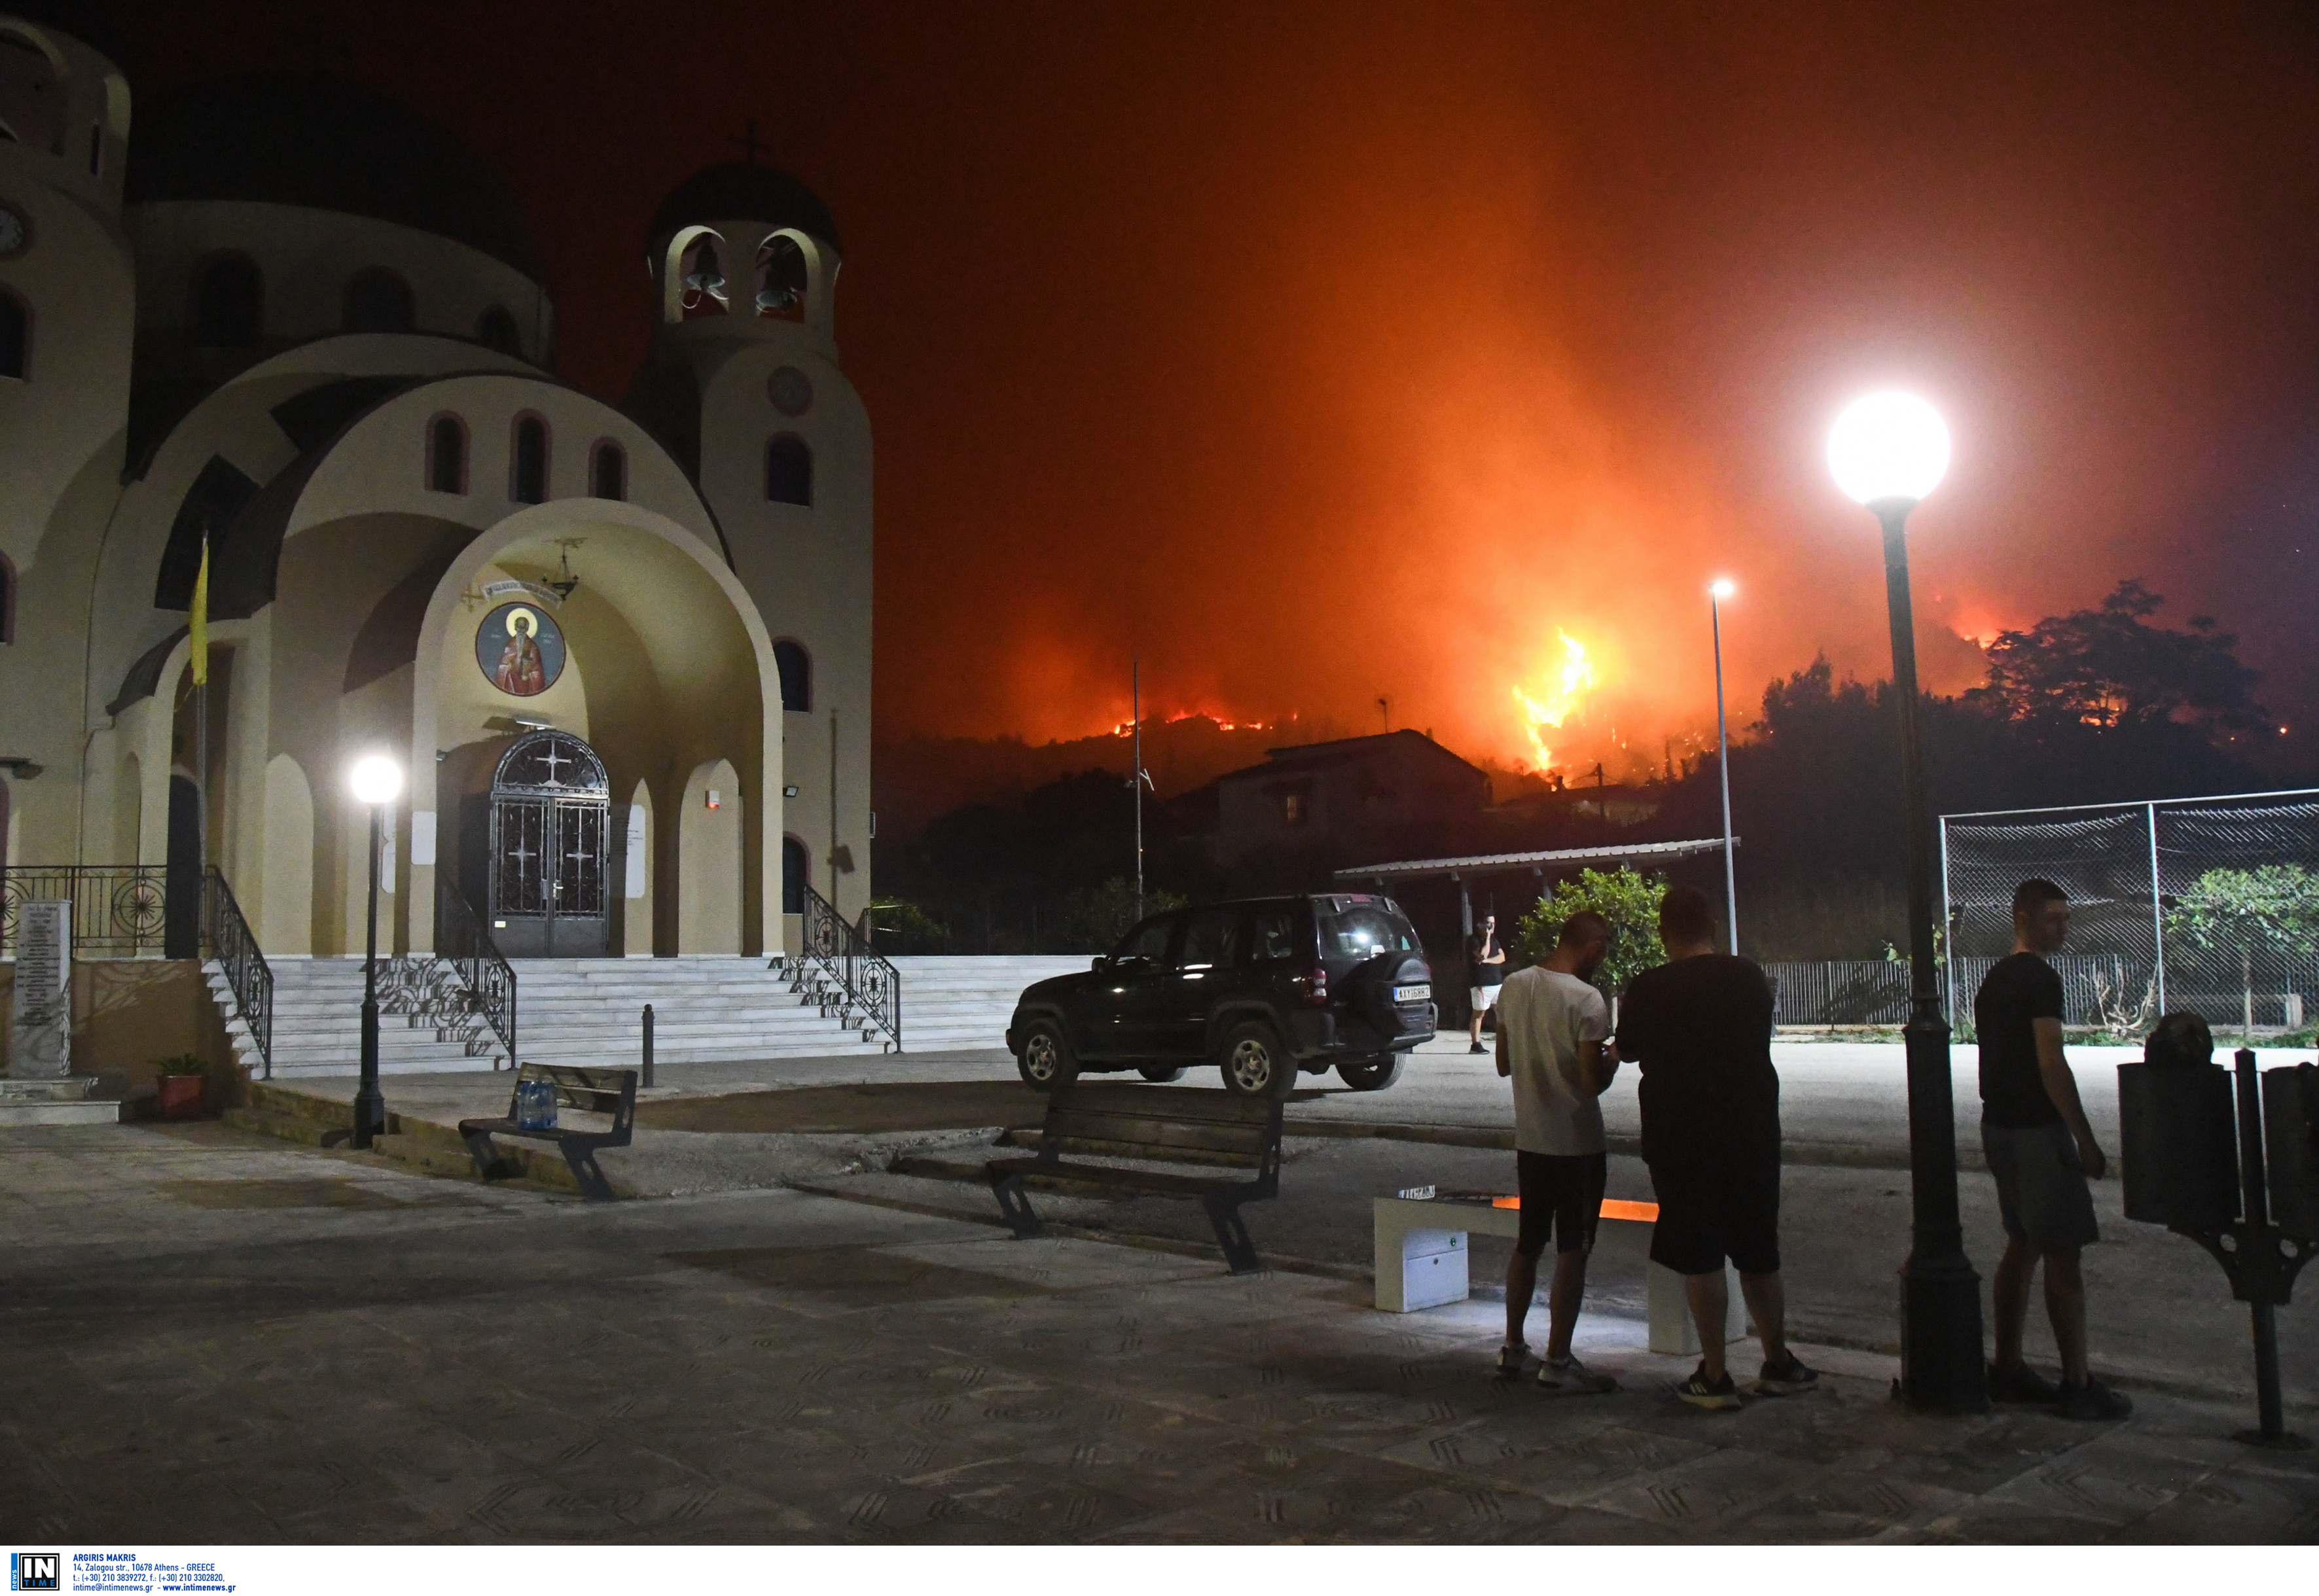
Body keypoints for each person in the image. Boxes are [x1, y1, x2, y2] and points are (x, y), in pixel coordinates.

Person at [1615, 884, 1816, 1408]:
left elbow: (1627, 1048)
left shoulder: (1649, 987)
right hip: (1750, 1130)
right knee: (1758, 1250)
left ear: (1664, 933)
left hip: (1680, 1136)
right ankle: (1778, 1360)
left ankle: (1715, 1372)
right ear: (1711, 927)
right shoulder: (1747, 976)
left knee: (1700, 1253)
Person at [1978, 878, 2130, 1421]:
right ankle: (2076, 1382)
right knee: (2063, 1253)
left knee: (2021, 1244)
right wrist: (2083, 1138)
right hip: (2037, 1132)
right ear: (2022, 917)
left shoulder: (1993, 979)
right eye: (2052, 918)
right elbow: (2050, 1061)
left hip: (1997, 1125)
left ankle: (2007, 1367)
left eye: (2066, 918)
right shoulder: (2040, 979)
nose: (2062, 928)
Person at [1494, 910, 1619, 1392]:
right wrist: (1611, 1062)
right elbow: (1590, 1084)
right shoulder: (1586, 999)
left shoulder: (1512, 985)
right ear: (1593, 946)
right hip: (1578, 1145)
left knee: (1528, 1244)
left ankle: (1512, 1347)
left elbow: (1503, 1063)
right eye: (1603, 949)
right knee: (1573, 1250)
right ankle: (1558, 1359)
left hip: (1531, 1140)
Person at [1466, 913, 1506, 1054]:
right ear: (1482, 924)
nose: (1492, 927)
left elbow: (1502, 957)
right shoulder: (1473, 940)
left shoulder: (1495, 940)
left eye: (1494, 924)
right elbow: (1483, 954)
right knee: (1479, 1013)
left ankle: (1505, 1040)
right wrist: (1487, 938)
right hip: (1482, 984)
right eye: (1489, 923)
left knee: (1501, 1011)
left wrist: (1488, 961)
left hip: (1497, 983)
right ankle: (1475, 1045)